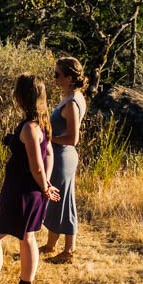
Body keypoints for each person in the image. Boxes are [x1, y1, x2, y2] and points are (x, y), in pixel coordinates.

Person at [0, 74, 60, 284]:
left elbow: (36, 166)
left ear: (21, 97)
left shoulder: (28, 128)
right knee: (28, 237)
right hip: (34, 191)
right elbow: (49, 154)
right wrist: (46, 184)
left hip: (20, 192)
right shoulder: (43, 123)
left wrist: (45, 184)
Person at [40, 56, 87, 265]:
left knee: (65, 202)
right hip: (59, 155)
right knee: (57, 201)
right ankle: (51, 244)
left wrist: (49, 139)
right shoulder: (70, 96)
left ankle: (69, 250)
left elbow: (73, 139)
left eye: (57, 74)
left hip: (63, 155)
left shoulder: (72, 104)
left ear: (69, 77)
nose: (54, 78)